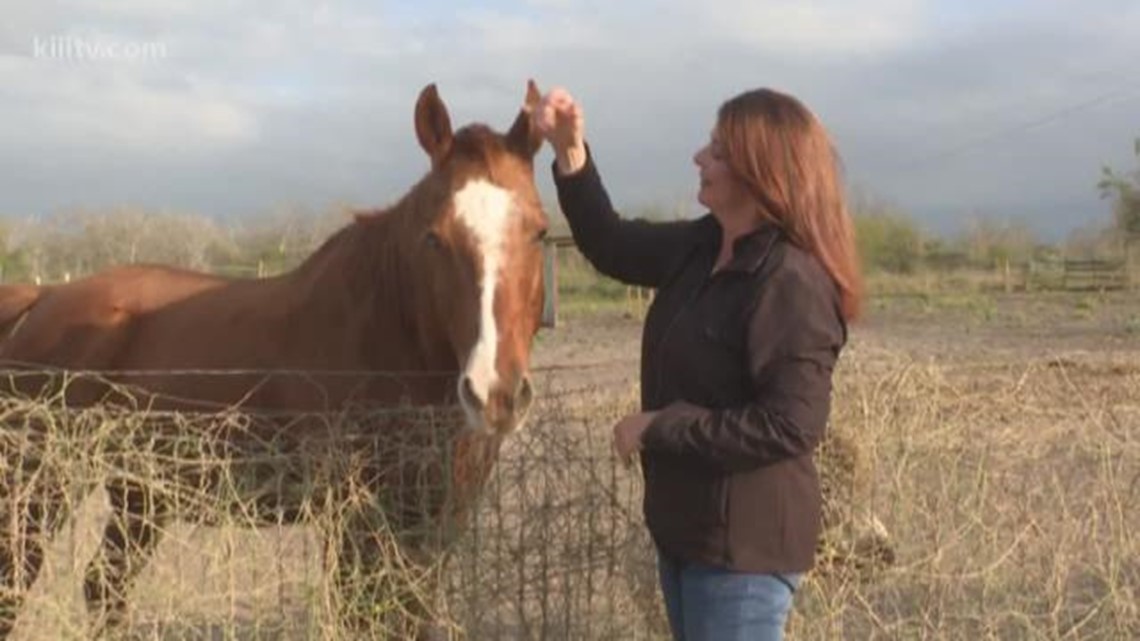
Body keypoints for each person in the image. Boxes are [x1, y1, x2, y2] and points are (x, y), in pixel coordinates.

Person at [531, 85, 862, 641]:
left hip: (745, 554)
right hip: (689, 538)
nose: (699, 158)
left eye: (718, 150)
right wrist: (570, 152)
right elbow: (611, 242)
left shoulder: (790, 280)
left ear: (761, 172)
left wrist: (660, 426)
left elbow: (791, 425)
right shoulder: (703, 246)